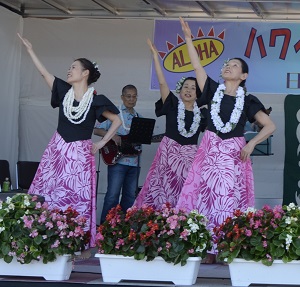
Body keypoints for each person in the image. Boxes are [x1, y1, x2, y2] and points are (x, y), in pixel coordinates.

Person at [175, 18, 276, 263]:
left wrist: (251, 143)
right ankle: (205, 248)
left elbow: (270, 125)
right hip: (209, 149)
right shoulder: (212, 90)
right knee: (204, 195)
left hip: (232, 152)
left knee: (226, 198)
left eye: (233, 65)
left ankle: (225, 246)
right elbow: (198, 69)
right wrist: (189, 40)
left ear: (243, 75)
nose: (228, 67)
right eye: (226, 64)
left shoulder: (249, 100)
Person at [18, 33, 122, 249]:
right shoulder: (64, 91)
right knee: (49, 191)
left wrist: (101, 144)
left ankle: (77, 242)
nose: (69, 70)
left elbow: (117, 120)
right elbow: (43, 73)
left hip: (80, 153)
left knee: (77, 196)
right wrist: (30, 51)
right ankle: (41, 236)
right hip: (57, 148)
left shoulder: (95, 100)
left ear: (85, 73)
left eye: (73, 67)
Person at [134, 39, 207, 210]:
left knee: (185, 189)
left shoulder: (202, 114)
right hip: (169, 152)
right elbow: (162, 83)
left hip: (190, 156)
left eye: (193, 88)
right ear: (180, 91)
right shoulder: (173, 104)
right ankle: (159, 219)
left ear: (198, 94)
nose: (188, 90)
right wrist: (155, 56)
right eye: (185, 87)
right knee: (162, 187)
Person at [94, 84, 141, 224]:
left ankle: (124, 229)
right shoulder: (114, 114)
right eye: (128, 96)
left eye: (134, 96)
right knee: (112, 196)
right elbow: (96, 130)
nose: (131, 99)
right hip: (117, 161)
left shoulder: (139, 117)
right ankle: (104, 227)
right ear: (122, 97)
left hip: (134, 163)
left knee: (129, 197)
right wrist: (112, 136)